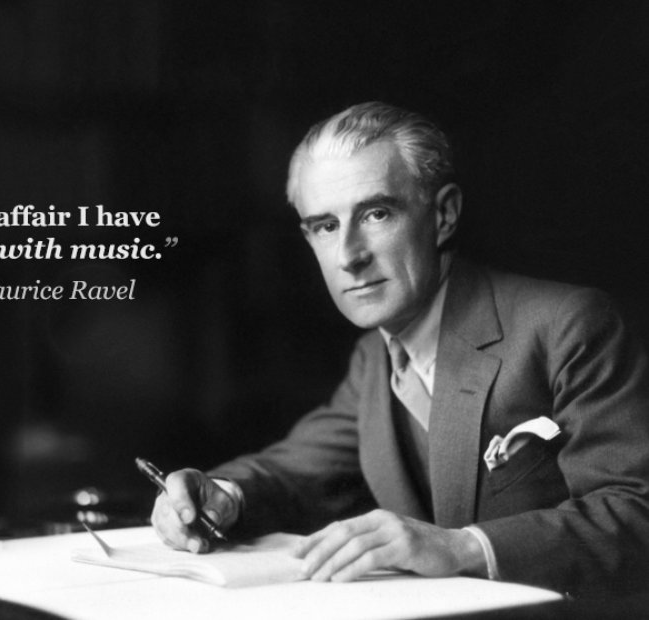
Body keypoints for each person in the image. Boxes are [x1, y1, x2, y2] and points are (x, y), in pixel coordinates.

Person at [150, 102, 649, 597]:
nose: (349, 256)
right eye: (326, 226)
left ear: (444, 214)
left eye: (376, 213)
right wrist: (223, 494)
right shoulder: (375, 357)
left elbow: (635, 509)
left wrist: (461, 547)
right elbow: (295, 469)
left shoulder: (568, 324)